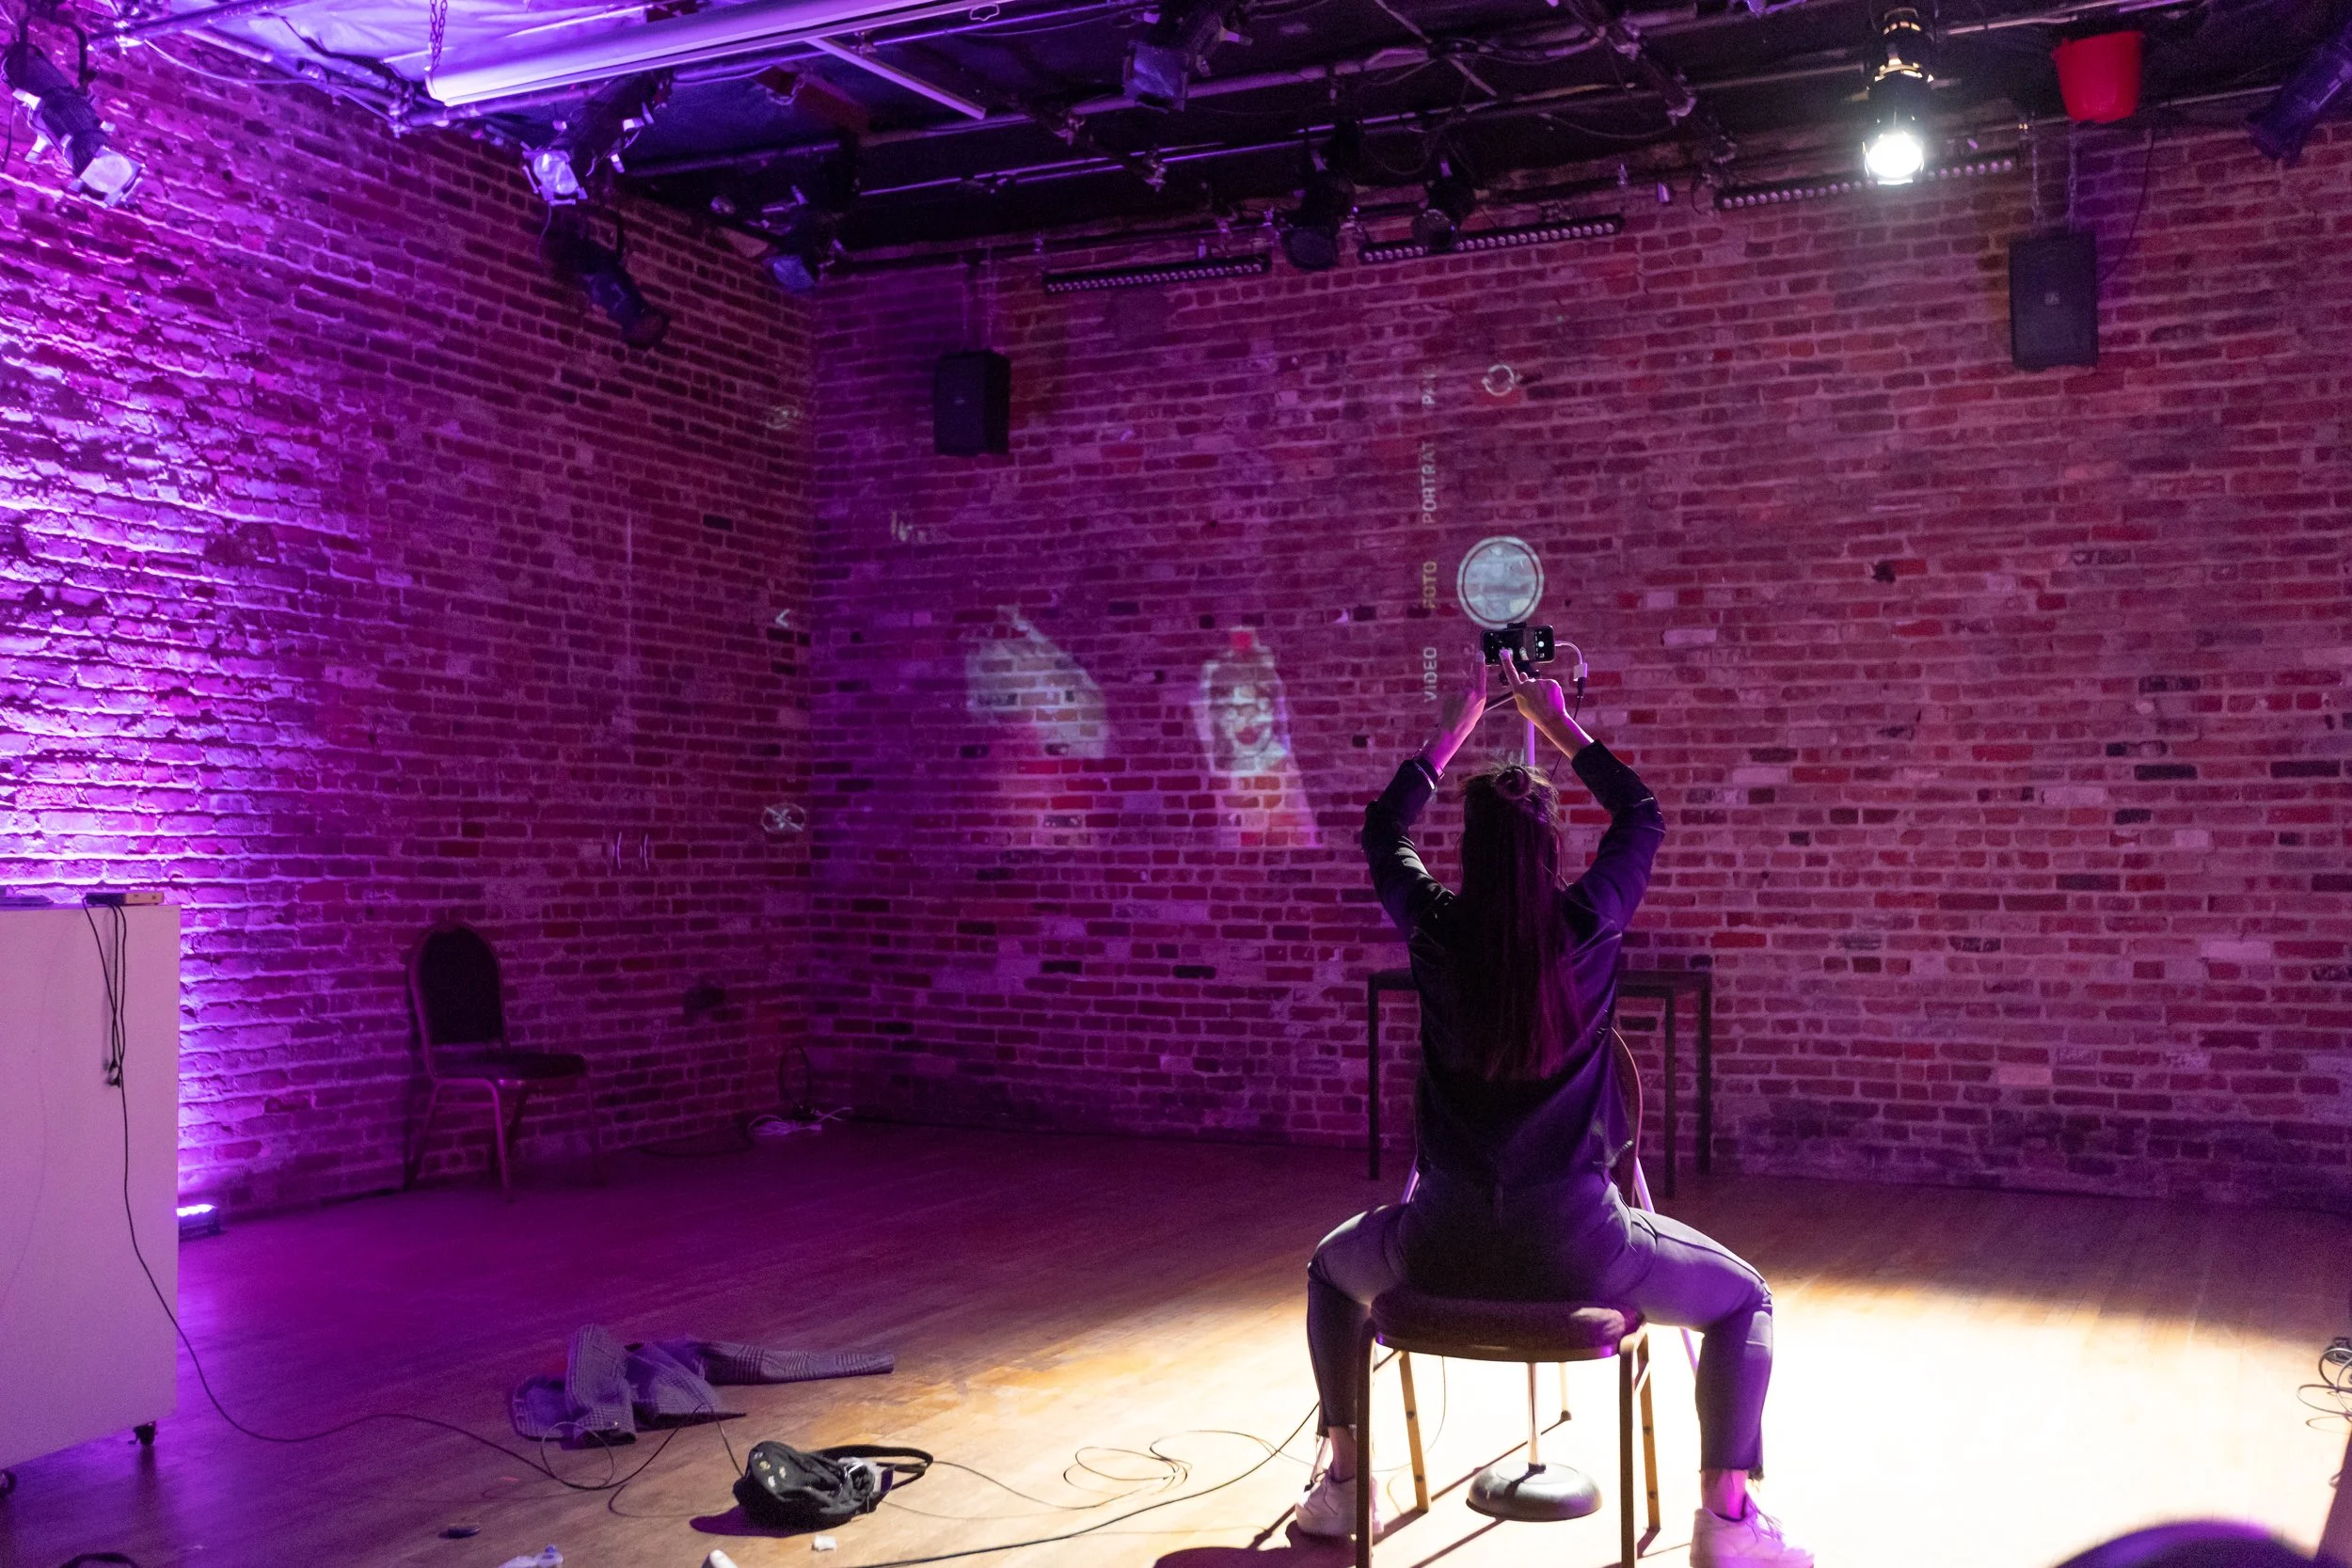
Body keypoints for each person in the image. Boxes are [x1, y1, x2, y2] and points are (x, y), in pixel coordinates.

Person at [1293, 650, 1812, 1568]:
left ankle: (1342, 1485)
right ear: (1550, 852)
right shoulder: (1589, 923)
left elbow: (1382, 829)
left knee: (1330, 1272)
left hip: (1439, 1240)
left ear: (1468, 854)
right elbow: (1641, 814)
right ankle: (1728, 1522)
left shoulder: (1434, 928)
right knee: (1746, 1300)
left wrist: (1455, 726)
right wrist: (1559, 723)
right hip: (1582, 1246)